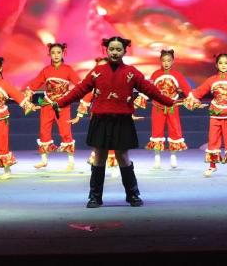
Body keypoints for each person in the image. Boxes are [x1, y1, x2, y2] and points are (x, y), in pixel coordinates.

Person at [54, 36, 173, 208]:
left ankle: (133, 195)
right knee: (99, 157)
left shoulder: (131, 72)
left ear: (124, 51)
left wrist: (169, 102)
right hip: (101, 119)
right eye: (111, 49)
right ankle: (95, 197)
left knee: (123, 157)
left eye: (118, 49)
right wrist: (60, 103)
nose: (114, 52)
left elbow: (150, 89)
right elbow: (80, 90)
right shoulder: (97, 71)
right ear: (107, 50)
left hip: (122, 120)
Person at [24, 42, 81, 170]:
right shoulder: (46, 70)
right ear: (49, 54)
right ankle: (44, 160)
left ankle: (71, 161)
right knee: (44, 130)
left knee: (65, 131)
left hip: (63, 104)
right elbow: (33, 86)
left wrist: (75, 98)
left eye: (58, 52)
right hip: (46, 103)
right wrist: (30, 103)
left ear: (63, 54)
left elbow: (81, 86)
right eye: (53, 53)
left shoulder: (68, 69)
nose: (56, 55)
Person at [135, 49, 192, 169]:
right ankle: (157, 157)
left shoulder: (177, 75)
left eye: (169, 61)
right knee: (157, 131)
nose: (166, 63)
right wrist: (140, 100)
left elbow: (187, 89)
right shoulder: (155, 74)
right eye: (164, 61)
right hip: (157, 107)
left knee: (174, 130)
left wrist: (193, 99)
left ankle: (173, 156)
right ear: (160, 61)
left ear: (173, 61)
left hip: (172, 107)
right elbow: (149, 88)